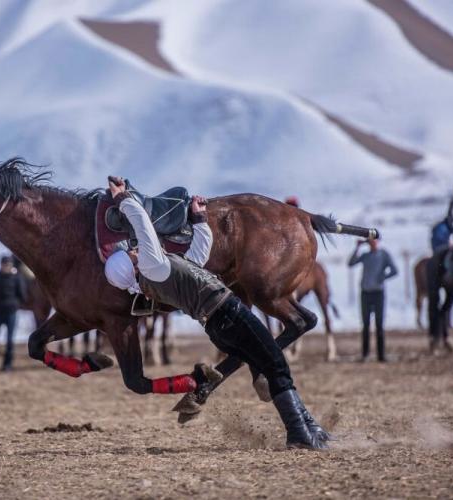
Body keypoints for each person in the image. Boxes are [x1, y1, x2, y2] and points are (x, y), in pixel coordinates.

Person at [103, 176, 328, 450]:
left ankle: (310, 428)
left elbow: (198, 257)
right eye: (130, 254)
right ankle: (298, 433)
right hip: (228, 313)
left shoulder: (159, 275)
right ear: (132, 267)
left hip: (220, 324)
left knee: (271, 363)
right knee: (276, 365)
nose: (134, 249)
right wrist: (123, 199)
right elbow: (142, 223)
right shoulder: (154, 267)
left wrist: (199, 221)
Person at [348, 238, 398, 362]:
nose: (373, 243)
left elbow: (395, 270)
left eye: (374, 241)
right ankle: (365, 354)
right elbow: (350, 263)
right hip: (365, 293)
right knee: (365, 325)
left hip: (378, 293)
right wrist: (357, 248)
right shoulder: (365, 256)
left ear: (378, 242)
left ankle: (381, 355)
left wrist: (383, 277)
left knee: (379, 325)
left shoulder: (384, 255)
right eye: (370, 241)